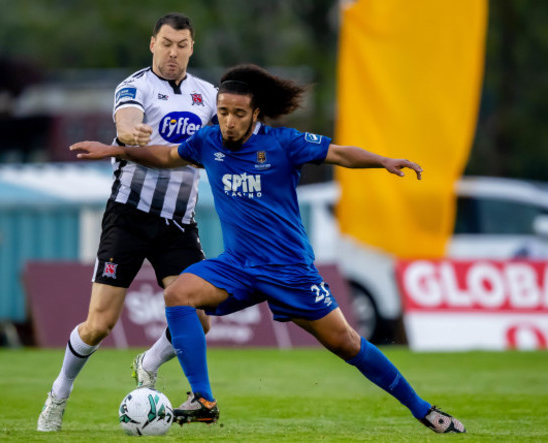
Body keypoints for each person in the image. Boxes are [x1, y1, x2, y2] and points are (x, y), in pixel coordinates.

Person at [71, 64, 467, 434]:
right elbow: (167, 155)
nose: (228, 120)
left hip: (289, 270)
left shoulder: (284, 144)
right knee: (178, 295)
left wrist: (382, 161)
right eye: (223, 111)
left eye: (238, 113)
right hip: (238, 266)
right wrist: (116, 150)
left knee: (346, 343)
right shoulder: (208, 141)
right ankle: (203, 400)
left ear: (256, 113)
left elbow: (340, 154)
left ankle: (424, 410)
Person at [37, 12, 218, 432]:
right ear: (152, 43)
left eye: (182, 45)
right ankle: (59, 393)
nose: (174, 53)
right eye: (167, 43)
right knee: (100, 324)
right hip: (128, 217)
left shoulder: (207, 95)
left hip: (177, 222)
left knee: (201, 317)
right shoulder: (135, 86)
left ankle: (149, 361)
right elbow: (127, 119)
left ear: (192, 47)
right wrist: (131, 132)